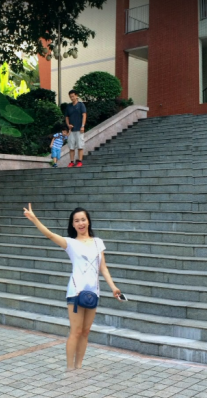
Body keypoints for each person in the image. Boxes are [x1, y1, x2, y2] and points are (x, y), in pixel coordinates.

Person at [23, 203, 122, 370]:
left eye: (83, 219)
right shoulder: (70, 243)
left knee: (85, 332)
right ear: (73, 224)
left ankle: (79, 366)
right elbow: (49, 235)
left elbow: (103, 267)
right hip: (76, 292)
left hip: (93, 292)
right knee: (76, 331)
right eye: (77, 221)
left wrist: (113, 288)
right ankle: (70, 369)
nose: (81, 223)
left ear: (88, 221)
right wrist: (34, 219)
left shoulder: (98, 242)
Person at [64, 90, 87, 167]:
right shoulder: (69, 106)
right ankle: (71, 161)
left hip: (79, 129)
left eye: (73, 96)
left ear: (76, 96)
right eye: (70, 97)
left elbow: (84, 115)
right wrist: (68, 125)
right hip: (71, 130)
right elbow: (67, 117)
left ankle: (80, 161)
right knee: (71, 147)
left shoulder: (81, 105)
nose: (72, 98)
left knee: (80, 145)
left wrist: (82, 126)